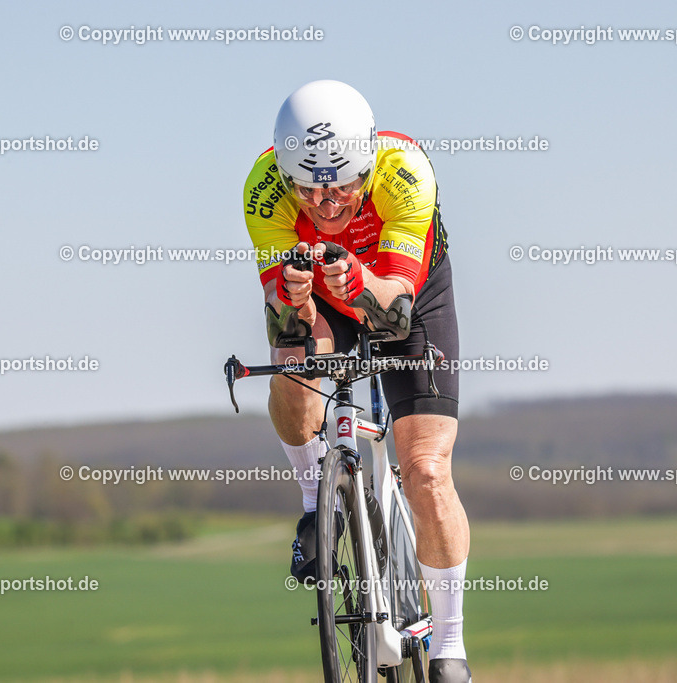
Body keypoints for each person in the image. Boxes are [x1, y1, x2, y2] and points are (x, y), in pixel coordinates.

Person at [242, 80, 471, 682]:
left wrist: (363, 285)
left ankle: (450, 646)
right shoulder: (264, 190)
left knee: (425, 468)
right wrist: (290, 302)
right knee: (293, 368)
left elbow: (393, 306)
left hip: (404, 289)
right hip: (323, 293)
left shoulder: (405, 172)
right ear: (286, 175)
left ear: (367, 165)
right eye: (309, 186)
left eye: (342, 183)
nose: (326, 201)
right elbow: (278, 313)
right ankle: (318, 502)